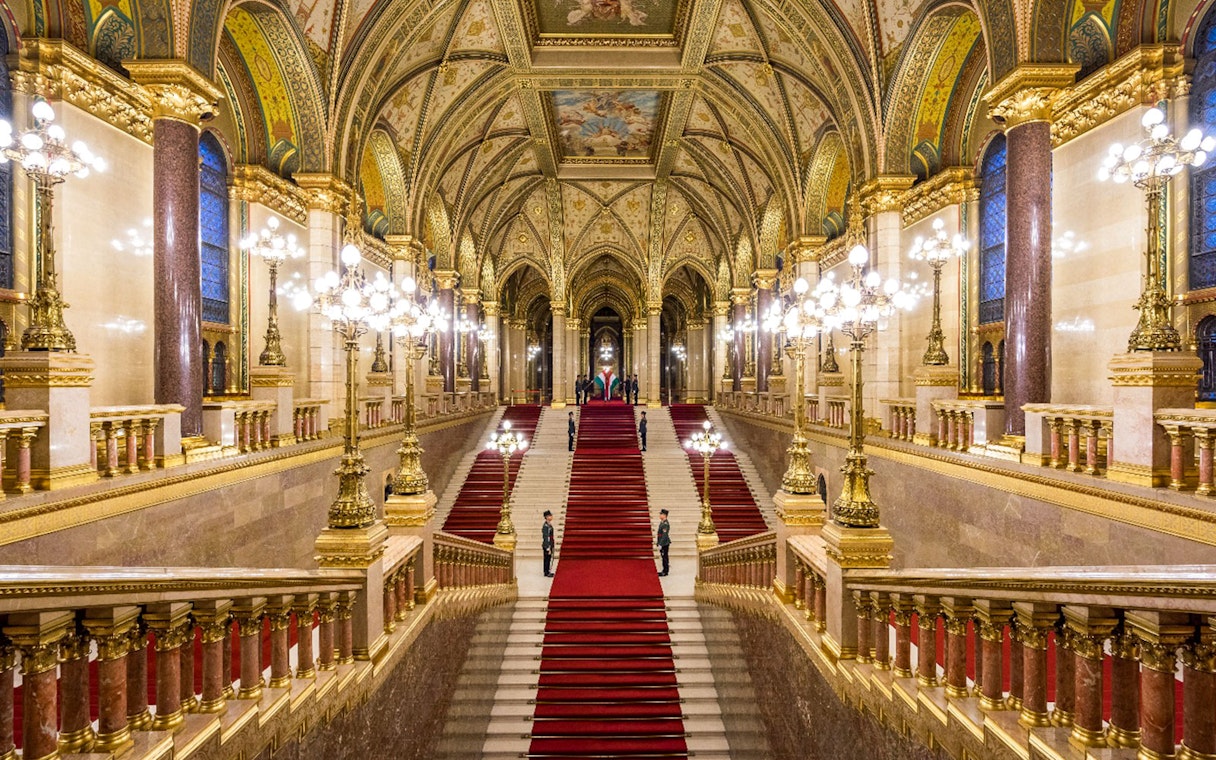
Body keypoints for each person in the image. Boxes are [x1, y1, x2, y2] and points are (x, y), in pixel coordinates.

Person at [656, 509, 670, 576]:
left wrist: (661, 544)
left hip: (664, 543)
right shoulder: (662, 522)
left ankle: (665, 571)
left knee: (664, 557)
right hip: (662, 542)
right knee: (663, 556)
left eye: (661, 514)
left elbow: (664, 535)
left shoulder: (665, 524)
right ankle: (664, 570)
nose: (660, 515)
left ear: (664, 515)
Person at [542, 510, 555, 577]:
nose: (551, 517)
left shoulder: (549, 525)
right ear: (547, 517)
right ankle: (546, 572)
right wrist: (548, 547)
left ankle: (547, 570)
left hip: (550, 544)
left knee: (549, 558)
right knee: (547, 559)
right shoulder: (546, 526)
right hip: (547, 545)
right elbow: (546, 537)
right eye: (550, 516)